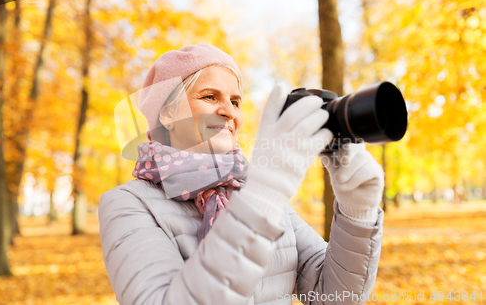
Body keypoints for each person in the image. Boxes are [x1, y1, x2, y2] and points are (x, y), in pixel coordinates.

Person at [98, 44, 384, 305]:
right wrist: (262, 195)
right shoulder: (127, 204)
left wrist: (357, 212)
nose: (228, 112)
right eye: (210, 96)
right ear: (167, 114)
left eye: (236, 102)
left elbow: (334, 298)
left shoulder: (260, 192)